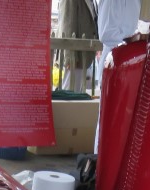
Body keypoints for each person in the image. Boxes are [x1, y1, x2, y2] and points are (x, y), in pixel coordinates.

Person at [94, 0, 140, 152]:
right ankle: (99, 161)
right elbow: (106, 34)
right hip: (114, 59)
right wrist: (132, 40)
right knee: (107, 120)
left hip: (130, 59)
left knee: (121, 121)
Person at [57, 0, 98, 91]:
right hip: (76, 56)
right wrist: (70, 57)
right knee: (70, 93)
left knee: (78, 94)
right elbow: (67, 26)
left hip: (85, 54)